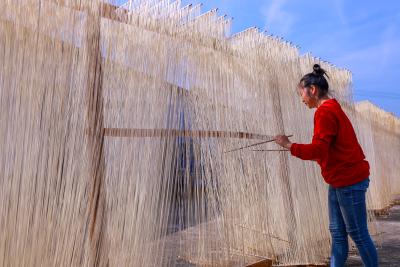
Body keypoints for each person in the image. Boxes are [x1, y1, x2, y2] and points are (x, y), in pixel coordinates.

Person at [274, 64, 378, 267]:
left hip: (349, 180)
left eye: (301, 94)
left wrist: (288, 145)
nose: (301, 99)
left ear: (312, 90)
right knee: (337, 233)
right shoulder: (333, 108)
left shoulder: (325, 112)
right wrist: (298, 149)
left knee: (357, 234)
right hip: (340, 180)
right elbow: (327, 151)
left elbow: (318, 150)